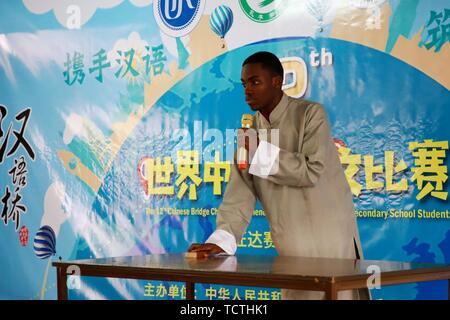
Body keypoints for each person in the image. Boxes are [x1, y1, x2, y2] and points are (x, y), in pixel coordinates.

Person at [188, 51, 369, 300]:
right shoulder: (249, 135)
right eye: (244, 84)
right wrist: (223, 239)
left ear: (277, 82)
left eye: (255, 82)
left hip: (331, 240)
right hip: (292, 244)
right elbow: (239, 195)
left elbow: (311, 171)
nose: (247, 90)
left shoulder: (310, 115)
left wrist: (259, 151)